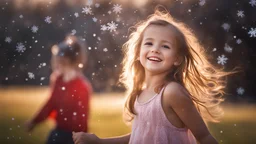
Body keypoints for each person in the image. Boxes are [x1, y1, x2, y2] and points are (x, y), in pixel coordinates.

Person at [73, 8, 235, 144]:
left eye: (165, 46)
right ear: (137, 53)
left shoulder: (172, 93)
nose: (155, 49)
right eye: (149, 43)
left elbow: (204, 136)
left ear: (177, 58)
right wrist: (99, 141)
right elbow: (140, 137)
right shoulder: (141, 92)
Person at [25, 35, 92, 144]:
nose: (55, 65)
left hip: (73, 137)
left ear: (68, 61)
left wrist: (80, 139)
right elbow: (51, 103)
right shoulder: (57, 80)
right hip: (57, 132)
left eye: (59, 61)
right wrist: (35, 121)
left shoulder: (82, 86)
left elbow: (82, 119)